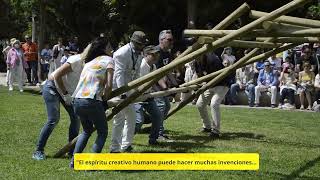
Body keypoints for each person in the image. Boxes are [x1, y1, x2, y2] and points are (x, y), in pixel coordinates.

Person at [32, 43, 92, 161]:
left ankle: (71, 151)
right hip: (52, 87)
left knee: (76, 119)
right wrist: (65, 95)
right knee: (53, 119)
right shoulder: (76, 60)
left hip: (68, 93)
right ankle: (38, 151)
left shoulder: (91, 65)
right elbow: (57, 75)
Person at [70, 37, 114, 168]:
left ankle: (74, 161)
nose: (112, 49)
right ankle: (90, 164)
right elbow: (109, 85)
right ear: (103, 49)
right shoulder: (109, 61)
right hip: (91, 100)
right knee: (102, 132)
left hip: (77, 100)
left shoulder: (89, 62)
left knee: (86, 130)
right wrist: (106, 99)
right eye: (109, 46)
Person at [110, 31, 147, 153]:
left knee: (131, 117)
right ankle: (115, 148)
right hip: (118, 89)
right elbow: (118, 74)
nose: (143, 46)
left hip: (129, 88)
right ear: (135, 43)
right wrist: (122, 93)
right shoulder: (122, 53)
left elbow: (136, 73)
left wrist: (137, 89)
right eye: (142, 44)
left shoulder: (139, 53)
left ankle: (125, 146)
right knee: (119, 119)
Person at [196, 58, 235, 138]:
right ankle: (207, 127)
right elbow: (199, 75)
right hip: (209, 85)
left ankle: (216, 131)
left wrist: (206, 82)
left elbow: (221, 76)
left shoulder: (213, 59)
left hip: (222, 84)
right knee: (200, 104)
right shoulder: (197, 62)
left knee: (214, 104)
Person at [154, 29, 179, 141]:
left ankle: (157, 130)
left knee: (166, 107)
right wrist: (165, 87)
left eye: (172, 39)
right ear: (161, 40)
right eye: (169, 40)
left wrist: (175, 84)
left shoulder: (167, 53)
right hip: (151, 85)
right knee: (161, 107)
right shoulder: (156, 52)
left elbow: (167, 71)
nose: (171, 42)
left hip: (160, 85)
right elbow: (155, 73)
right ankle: (158, 134)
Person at [134, 45, 161, 145]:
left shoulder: (153, 66)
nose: (156, 56)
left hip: (147, 96)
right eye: (153, 54)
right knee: (138, 121)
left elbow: (152, 82)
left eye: (157, 54)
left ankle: (153, 140)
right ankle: (125, 140)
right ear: (146, 55)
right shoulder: (141, 65)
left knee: (158, 116)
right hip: (136, 97)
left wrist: (161, 91)